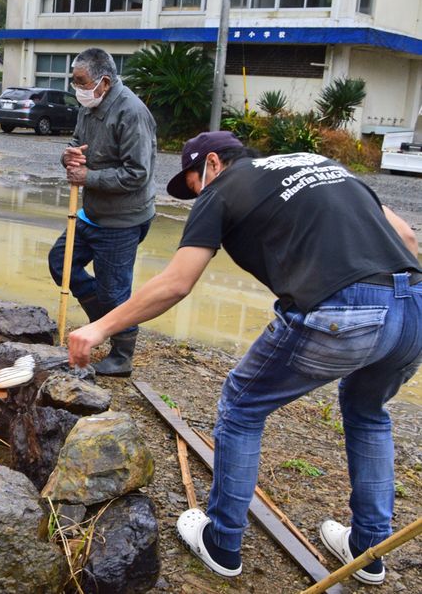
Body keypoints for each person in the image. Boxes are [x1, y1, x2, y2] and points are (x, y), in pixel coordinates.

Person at [67, 130, 422, 584]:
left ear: (212, 163)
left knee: (241, 405)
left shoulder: (220, 192)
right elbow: (407, 238)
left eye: (193, 181)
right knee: (368, 412)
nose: (196, 193)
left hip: (341, 311)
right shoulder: (321, 165)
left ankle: (223, 541)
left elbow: (177, 282)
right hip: (411, 304)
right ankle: (368, 548)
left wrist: (99, 327)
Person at [47, 47, 156, 376]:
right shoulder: (88, 107)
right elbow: (76, 143)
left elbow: (138, 173)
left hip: (123, 219)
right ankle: (105, 323)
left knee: (114, 290)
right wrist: (69, 157)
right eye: (74, 81)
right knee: (60, 263)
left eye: (81, 82)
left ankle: (122, 355)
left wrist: (89, 176)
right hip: (90, 214)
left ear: (104, 82)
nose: (76, 88)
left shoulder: (131, 113)